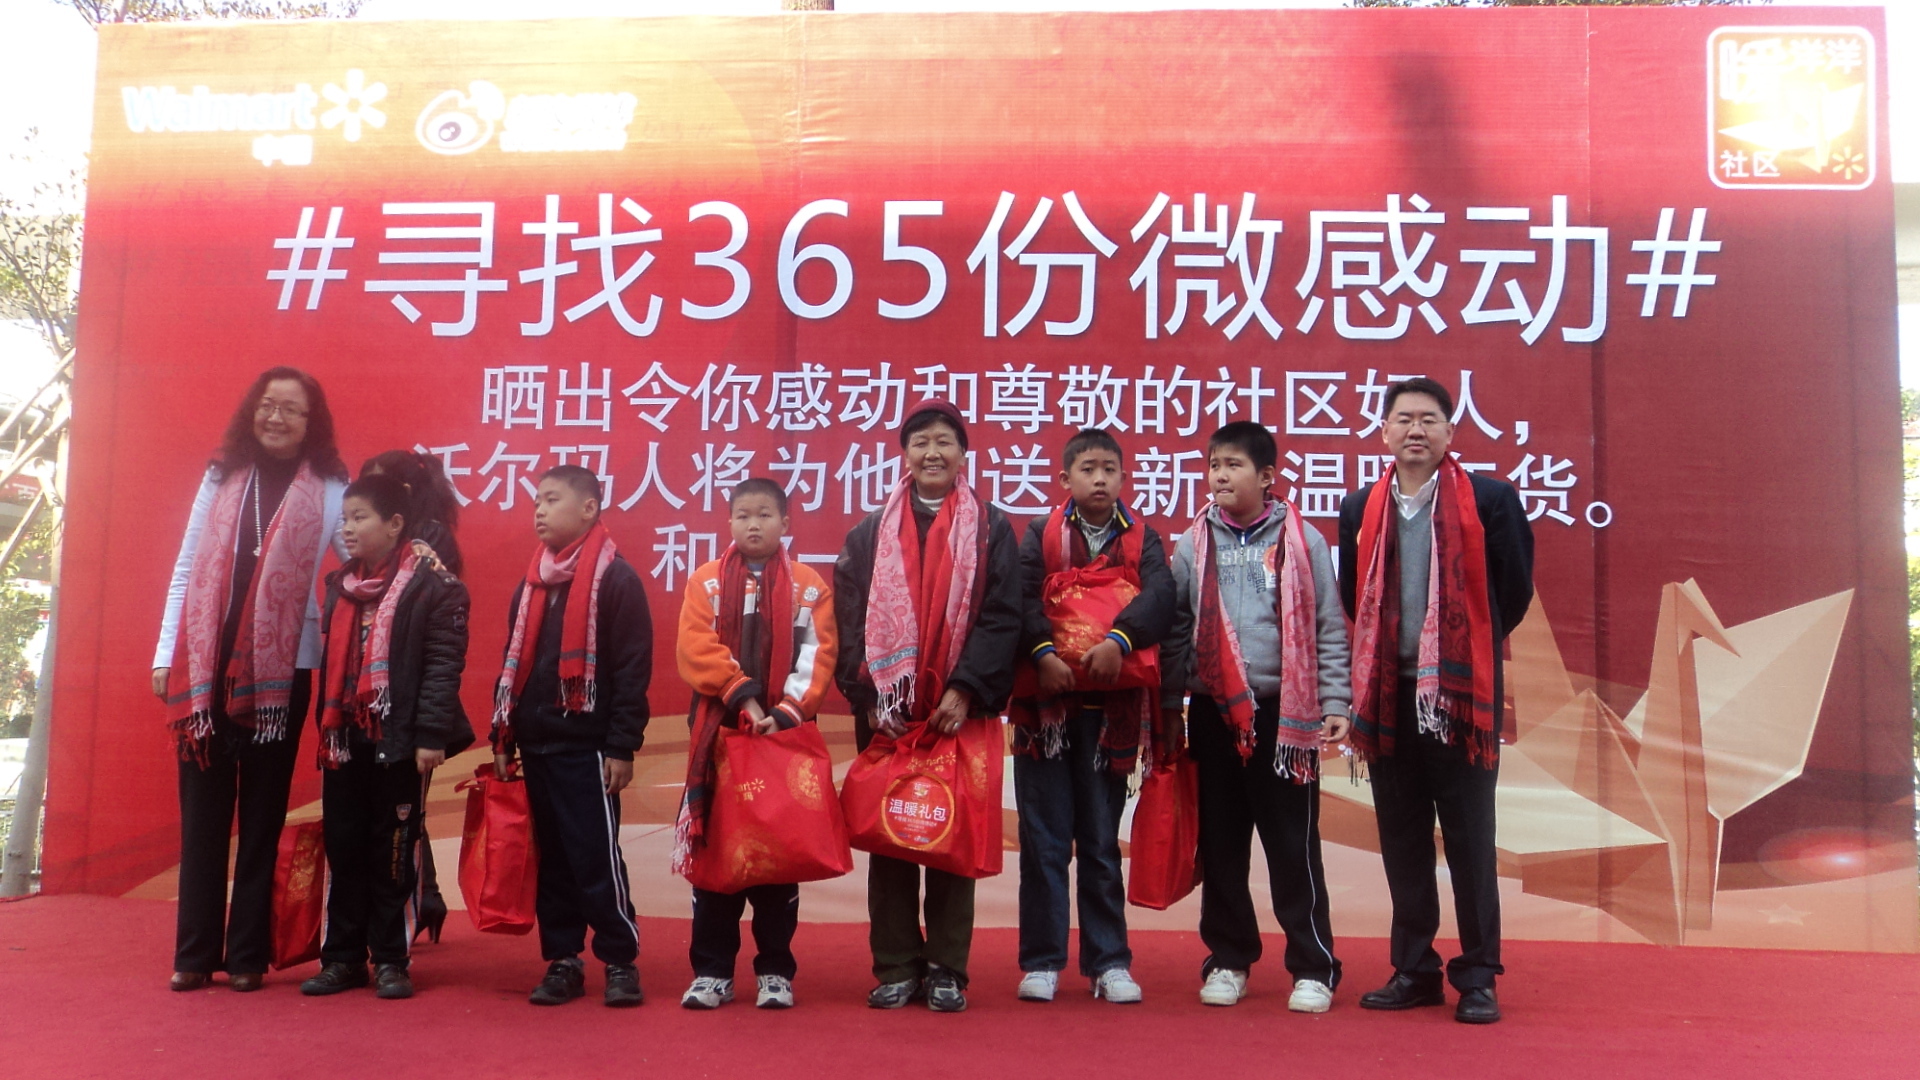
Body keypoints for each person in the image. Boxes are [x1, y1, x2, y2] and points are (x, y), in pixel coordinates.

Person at [1337, 377, 1534, 1025]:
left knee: (1472, 841)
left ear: (1450, 432)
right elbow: (1353, 595)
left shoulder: (1491, 500)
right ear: (1384, 433)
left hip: (1461, 700)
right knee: (1403, 840)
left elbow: (1512, 593)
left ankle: (1478, 976)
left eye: (1428, 419)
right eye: (1403, 419)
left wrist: (1459, 658)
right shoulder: (1360, 508)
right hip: (1388, 700)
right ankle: (1414, 969)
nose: (1415, 430)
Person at [154, 366, 348, 993]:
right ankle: (193, 954)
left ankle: (246, 957)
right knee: (204, 816)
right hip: (204, 668)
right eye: (268, 405)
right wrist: (164, 654)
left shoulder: (331, 488)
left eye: (292, 409)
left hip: (283, 674)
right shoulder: (222, 476)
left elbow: (359, 559)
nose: (277, 417)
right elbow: (187, 565)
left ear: (311, 422)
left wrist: (414, 559)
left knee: (263, 814)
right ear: (252, 411)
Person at [833, 398, 1021, 1013]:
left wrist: (965, 689)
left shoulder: (991, 528)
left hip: (957, 711)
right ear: (905, 455)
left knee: (951, 837)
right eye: (920, 442)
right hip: (887, 714)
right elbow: (848, 619)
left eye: (944, 441)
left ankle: (946, 969)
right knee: (891, 837)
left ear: (963, 453)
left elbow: (1002, 617)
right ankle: (894, 965)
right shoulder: (869, 533)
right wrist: (868, 696)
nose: (932, 452)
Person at [1160, 421, 1351, 1011]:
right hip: (1213, 713)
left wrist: (1335, 702)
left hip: (1282, 718)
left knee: (1293, 846)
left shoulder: (1303, 541)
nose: (1220, 475)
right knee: (1220, 844)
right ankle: (1228, 958)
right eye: (1214, 464)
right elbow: (1176, 628)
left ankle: (1313, 967)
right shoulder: (1193, 544)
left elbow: (1328, 628)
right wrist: (1170, 704)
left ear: (1267, 476)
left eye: (1234, 465)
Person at [1008, 427, 1175, 1005]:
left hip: (1111, 714)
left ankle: (1109, 962)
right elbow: (1020, 597)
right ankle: (1042, 961)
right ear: (1065, 479)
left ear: (1123, 478)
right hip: (1046, 714)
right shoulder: (1041, 534)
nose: (1099, 479)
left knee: (1101, 843)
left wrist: (1119, 642)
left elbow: (1161, 598)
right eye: (1088, 469)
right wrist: (1042, 654)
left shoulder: (1144, 537)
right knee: (1045, 840)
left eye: (1109, 470)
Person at [300, 472, 473, 1000]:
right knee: (344, 846)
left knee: (394, 852)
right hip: (344, 739)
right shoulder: (340, 586)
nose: (348, 529)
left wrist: (430, 736)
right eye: (345, 519)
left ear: (395, 524)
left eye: (360, 518)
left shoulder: (435, 586)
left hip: (399, 742)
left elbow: (442, 667)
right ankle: (343, 959)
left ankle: (393, 959)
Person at [671, 477, 837, 1011]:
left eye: (765, 515)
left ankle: (775, 971)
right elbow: (696, 648)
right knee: (716, 864)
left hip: (781, 741)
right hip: (718, 741)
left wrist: (783, 713)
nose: (753, 524)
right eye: (743, 515)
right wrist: (744, 699)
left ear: (785, 523)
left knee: (777, 865)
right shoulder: (706, 581)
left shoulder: (809, 586)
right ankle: (712, 972)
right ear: (729, 522)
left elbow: (819, 655)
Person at [491, 465, 653, 1008]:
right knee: (553, 864)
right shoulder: (531, 583)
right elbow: (512, 664)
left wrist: (622, 745)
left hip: (587, 750)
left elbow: (632, 669)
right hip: (535, 746)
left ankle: (620, 960)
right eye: (537, 500)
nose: (539, 509)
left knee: (595, 859)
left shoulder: (617, 580)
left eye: (552, 499)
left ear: (589, 508)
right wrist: (503, 739)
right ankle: (563, 960)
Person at [359, 448, 466, 943]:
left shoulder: (427, 541)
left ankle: (410, 909)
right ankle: (426, 898)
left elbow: (429, 633)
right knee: (387, 812)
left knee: (402, 813)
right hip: (375, 699)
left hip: (409, 697)